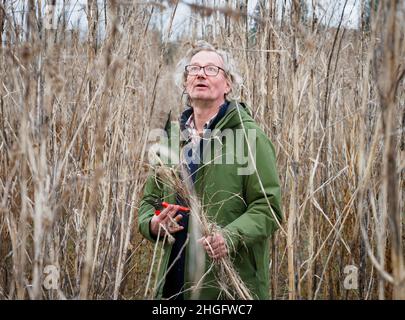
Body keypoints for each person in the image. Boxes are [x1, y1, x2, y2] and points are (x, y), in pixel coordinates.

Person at [138, 40, 282, 300]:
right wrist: (153, 224)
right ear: (185, 83)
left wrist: (229, 237)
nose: (201, 74)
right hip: (174, 286)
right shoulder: (170, 140)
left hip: (226, 289)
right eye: (193, 69)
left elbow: (268, 208)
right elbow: (148, 203)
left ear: (228, 84)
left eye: (212, 69)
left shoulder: (250, 138)